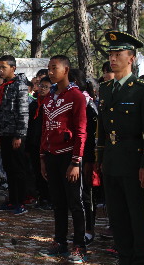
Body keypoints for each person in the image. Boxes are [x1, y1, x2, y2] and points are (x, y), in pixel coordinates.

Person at [96, 31, 144, 265]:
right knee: (117, 215)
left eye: (118, 53)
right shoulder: (106, 89)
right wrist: (100, 158)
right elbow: (101, 129)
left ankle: (141, 259)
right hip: (112, 160)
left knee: (137, 215)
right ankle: (124, 257)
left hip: (134, 160)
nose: (113, 58)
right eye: (111, 53)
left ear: (131, 58)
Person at [38, 55, 88, 263]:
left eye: (54, 68)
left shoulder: (76, 96)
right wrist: (42, 157)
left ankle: (79, 246)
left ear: (66, 70)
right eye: (48, 68)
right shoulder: (49, 97)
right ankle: (59, 242)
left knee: (75, 203)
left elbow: (81, 131)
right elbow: (44, 129)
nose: (50, 72)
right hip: (51, 156)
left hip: (69, 156)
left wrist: (76, 162)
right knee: (58, 203)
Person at [0, 55, 29, 215]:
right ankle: (12, 200)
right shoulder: (5, 85)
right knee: (9, 168)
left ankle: (21, 202)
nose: (1, 70)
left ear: (13, 68)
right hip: (5, 133)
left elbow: (23, 112)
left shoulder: (19, 85)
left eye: (4, 67)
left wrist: (19, 135)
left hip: (15, 135)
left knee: (18, 168)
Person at [69, 68, 98, 246]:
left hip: (85, 156)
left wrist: (88, 160)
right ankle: (79, 230)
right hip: (71, 153)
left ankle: (89, 230)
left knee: (85, 195)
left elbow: (88, 135)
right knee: (75, 196)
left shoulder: (87, 103)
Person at [25, 76, 52, 210]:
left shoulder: (52, 103)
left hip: (48, 144)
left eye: (46, 87)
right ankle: (41, 197)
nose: (42, 89)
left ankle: (50, 198)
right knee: (37, 171)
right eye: (41, 86)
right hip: (34, 143)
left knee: (48, 172)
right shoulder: (34, 104)